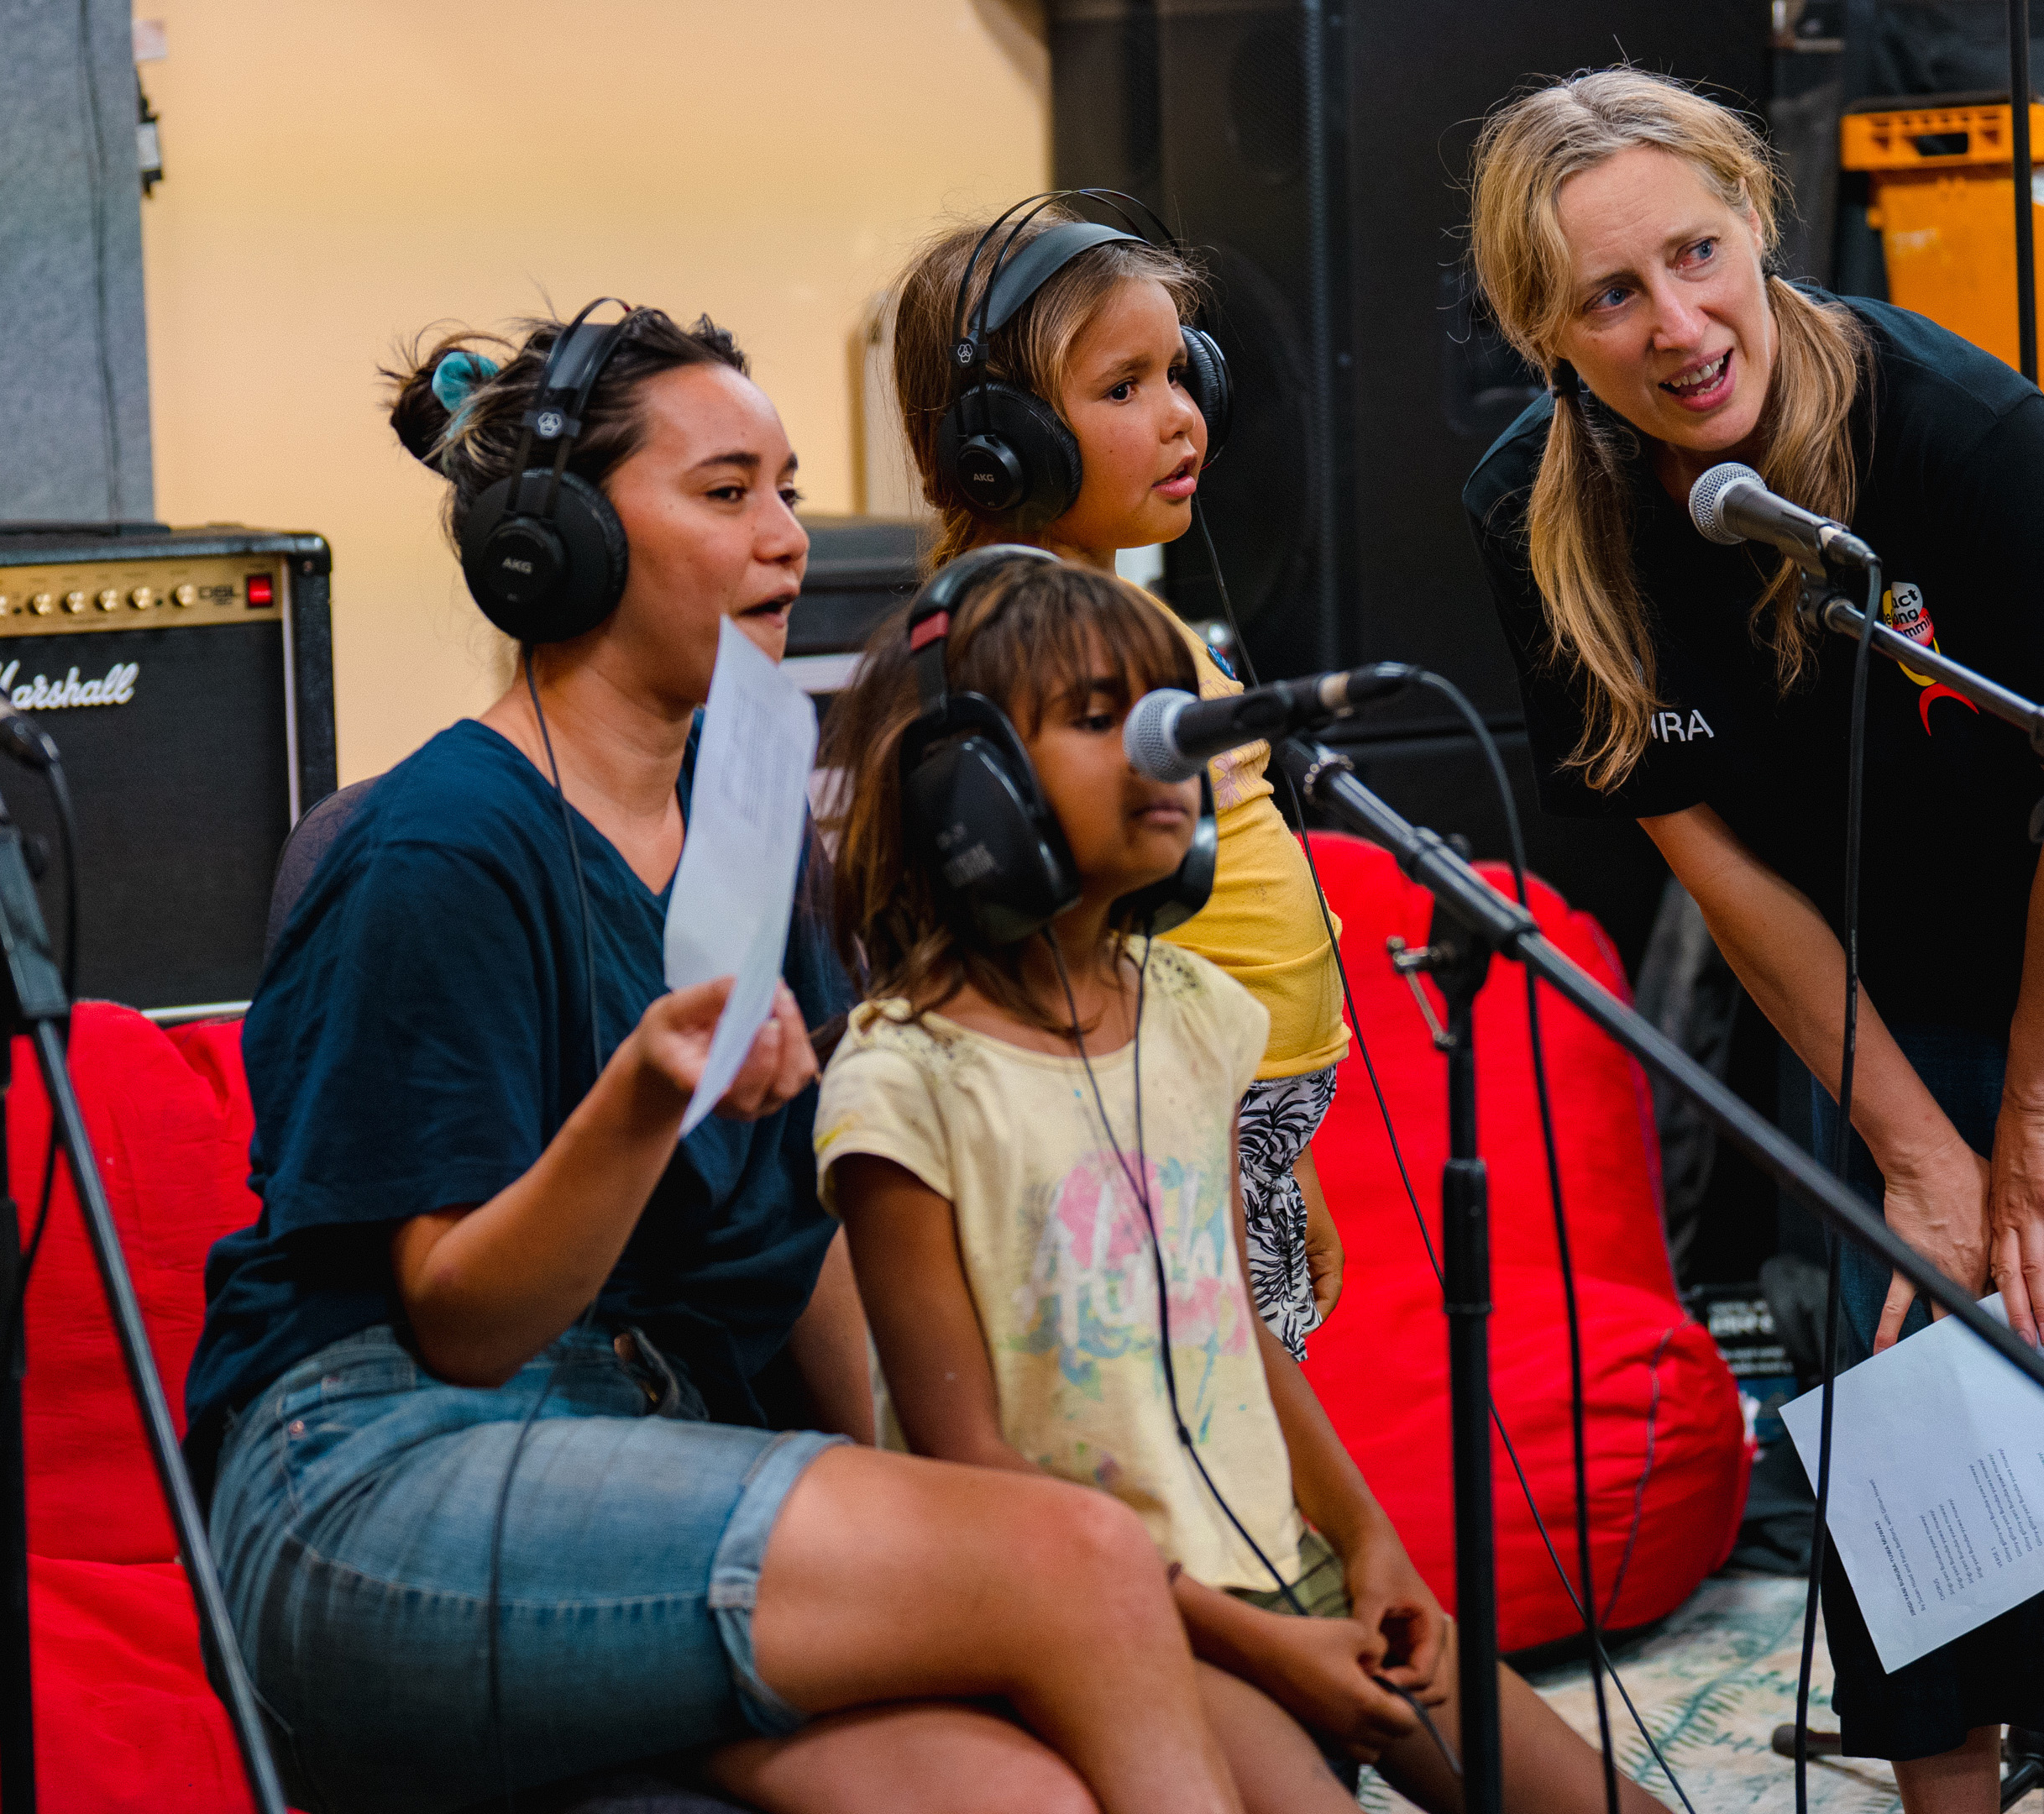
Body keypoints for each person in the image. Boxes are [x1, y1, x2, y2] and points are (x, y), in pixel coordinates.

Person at [185, 303, 1255, 1814]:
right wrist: (641, 1101)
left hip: (648, 1455)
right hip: (379, 1476)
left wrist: (933, 1498)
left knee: (1008, 1782)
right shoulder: (436, 848)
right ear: (559, 544)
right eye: (728, 492)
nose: (790, 540)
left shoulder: (748, 826)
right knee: (1074, 1560)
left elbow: (803, 1236)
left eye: (793, 490)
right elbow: (460, 1323)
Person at [815, 547, 1669, 1813]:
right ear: (969, 791)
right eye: (1104, 721)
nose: (1169, 753)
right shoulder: (903, 1084)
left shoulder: (1198, 1012)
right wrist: (1266, 1646)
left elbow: (1236, 1330)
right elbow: (966, 1466)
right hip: (1098, 1613)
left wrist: (1368, 1539)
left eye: (1172, 714)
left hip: (1284, 1560)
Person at [1463, 67, 2044, 1806]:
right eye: (1612, 295)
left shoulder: (1971, 436)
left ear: (1758, 219)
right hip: (1857, 971)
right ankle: (1947, 1772)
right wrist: (1920, 1159)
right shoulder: (1536, 511)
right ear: (1542, 329)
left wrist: (2023, 1139)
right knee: (1908, 1353)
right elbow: (1701, 849)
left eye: (1699, 254)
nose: (1679, 325)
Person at [886, 198, 1350, 1356]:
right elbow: (1070, 941)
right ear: (1001, 442)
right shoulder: (1030, 638)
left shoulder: (1115, 612)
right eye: (1125, 388)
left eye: (1181, 373)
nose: (1183, 416)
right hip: (1159, 1141)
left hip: (1237, 1123)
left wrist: (1285, 1153)